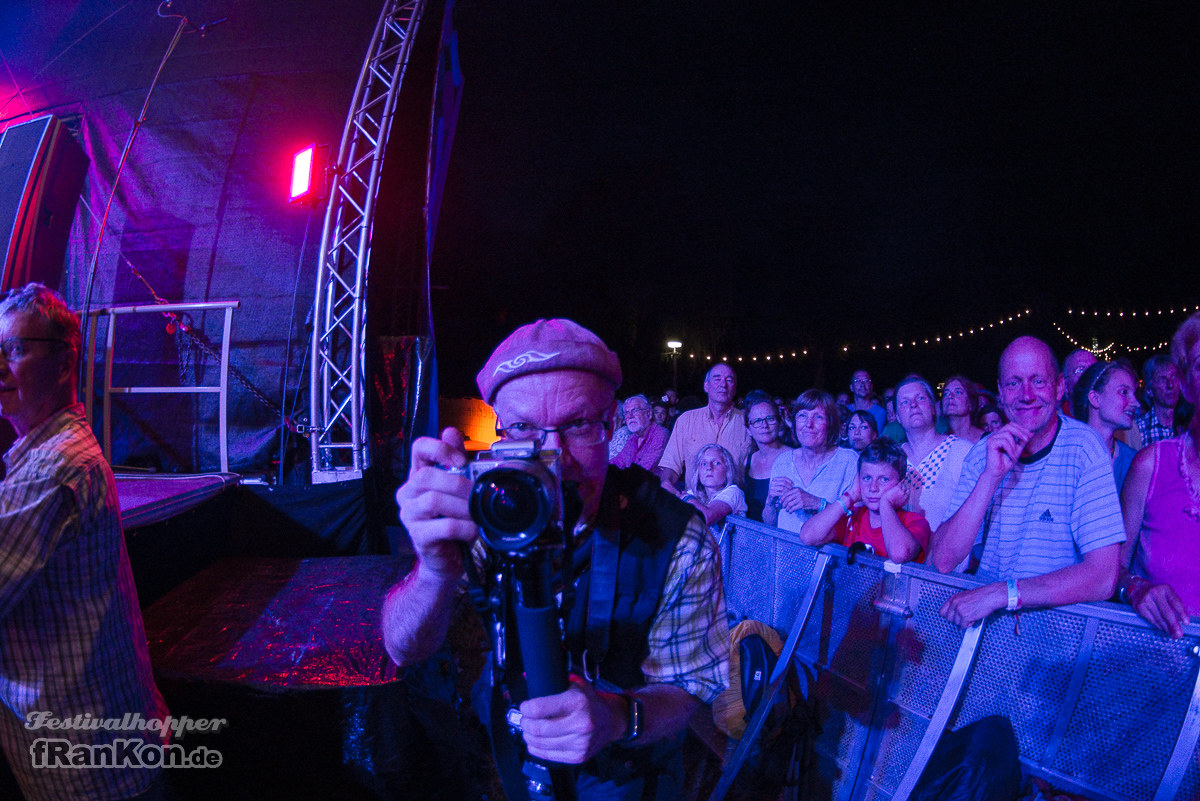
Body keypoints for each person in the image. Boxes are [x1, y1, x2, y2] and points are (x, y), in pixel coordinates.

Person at [383, 318, 728, 800]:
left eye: (578, 425)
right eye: (524, 429)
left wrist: (613, 717)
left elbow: (689, 686)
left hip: (628, 770)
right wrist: (435, 571)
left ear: (611, 425)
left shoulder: (678, 535)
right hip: (512, 757)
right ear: (499, 434)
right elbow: (403, 647)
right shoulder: (488, 512)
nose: (553, 456)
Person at [0, 284, 170, 801]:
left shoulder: (51, 468)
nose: (1, 367)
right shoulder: (59, 449)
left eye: (15, 350)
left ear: (64, 361)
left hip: (83, 768)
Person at [930, 336, 1125, 628]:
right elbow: (943, 560)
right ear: (1000, 391)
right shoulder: (981, 455)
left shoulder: (1084, 448)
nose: (1026, 394)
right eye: (1014, 383)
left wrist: (1003, 593)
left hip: (1054, 644)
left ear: (1059, 387)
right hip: (989, 638)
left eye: (1038, 381)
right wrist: (990, 477)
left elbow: (1102, 576)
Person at [1117, 312, 1200, 639]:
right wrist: (1136, 589)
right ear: (1185, 386)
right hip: (1157, 666)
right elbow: (1112, 568)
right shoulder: (1150, 465)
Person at [800, 438, 932, 563]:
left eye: (884, 479)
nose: (873, 488)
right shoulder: (853, 518)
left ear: (901, 485)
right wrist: (850, 495)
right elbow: (808, 536)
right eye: (867, 478)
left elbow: (899, 553)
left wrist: (886, 504)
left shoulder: (915, 522)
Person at [763, 390, 858, 533]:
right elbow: (770, 523)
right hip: (785, 553)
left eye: (818, 417)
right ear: (794, 423)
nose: (809, 424)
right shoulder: (782, 462)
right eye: (802, 416)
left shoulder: (849, 461)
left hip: (826, 555)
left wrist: (818, 504)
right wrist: (769, 503)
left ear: (830, 424)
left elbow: (855, 525)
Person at [655, 363, 750, 492]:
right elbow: (671, 465)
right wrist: (667, 483)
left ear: (735, 388)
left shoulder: (748, 422)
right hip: (695, 504)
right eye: (717, 379)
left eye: (729, 380)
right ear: (706, 386)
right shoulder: (686, 420)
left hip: (736, 506)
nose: (723, 384)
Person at [895, 376, 972, 532]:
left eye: (920, 398)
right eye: (904, 402)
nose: (913, 405)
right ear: (897, 417)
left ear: (933, 408)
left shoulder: (962, 451)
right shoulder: (892, 458)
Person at [1071, 361, 1138, 495]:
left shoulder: (1132, 462)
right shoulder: (1067, 458)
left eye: (1134, 394)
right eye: (1124, 392)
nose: (1136, 403)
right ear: (1095, 399)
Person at [742, 390, 792, 522]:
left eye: (770, 419)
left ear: (779, 422)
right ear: (749, 430)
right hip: (751, 536)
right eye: (757, 421)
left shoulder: (793, 457)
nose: (764, 425)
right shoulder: (748, 461)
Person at [680, 443, 747, 532]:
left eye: (716, 463)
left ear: (727, 469)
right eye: (703, 463)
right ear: (698, 471)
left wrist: (685, 498)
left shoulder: (734, 492)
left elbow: (706, 517)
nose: (709, 467)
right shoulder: (693, 493)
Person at [1130, 354, 1181, 450]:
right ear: (1149, 390)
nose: (1170, 385)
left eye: (1174, 377)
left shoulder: (1191, 425)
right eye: (1162, 379)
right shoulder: (1139, 430)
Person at [610, 394, 669, 470]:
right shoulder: (633, 438)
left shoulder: (660, 434)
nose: (630, 416)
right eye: (627, 413)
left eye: (635, 410)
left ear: (649, 414)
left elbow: (644, 470)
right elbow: (618, 461)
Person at [940, 375, 985, 443]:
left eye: (958, 392)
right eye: (946, 394)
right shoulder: (938, 443)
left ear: (970, 403)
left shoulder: (985, 440)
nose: (950, 396)